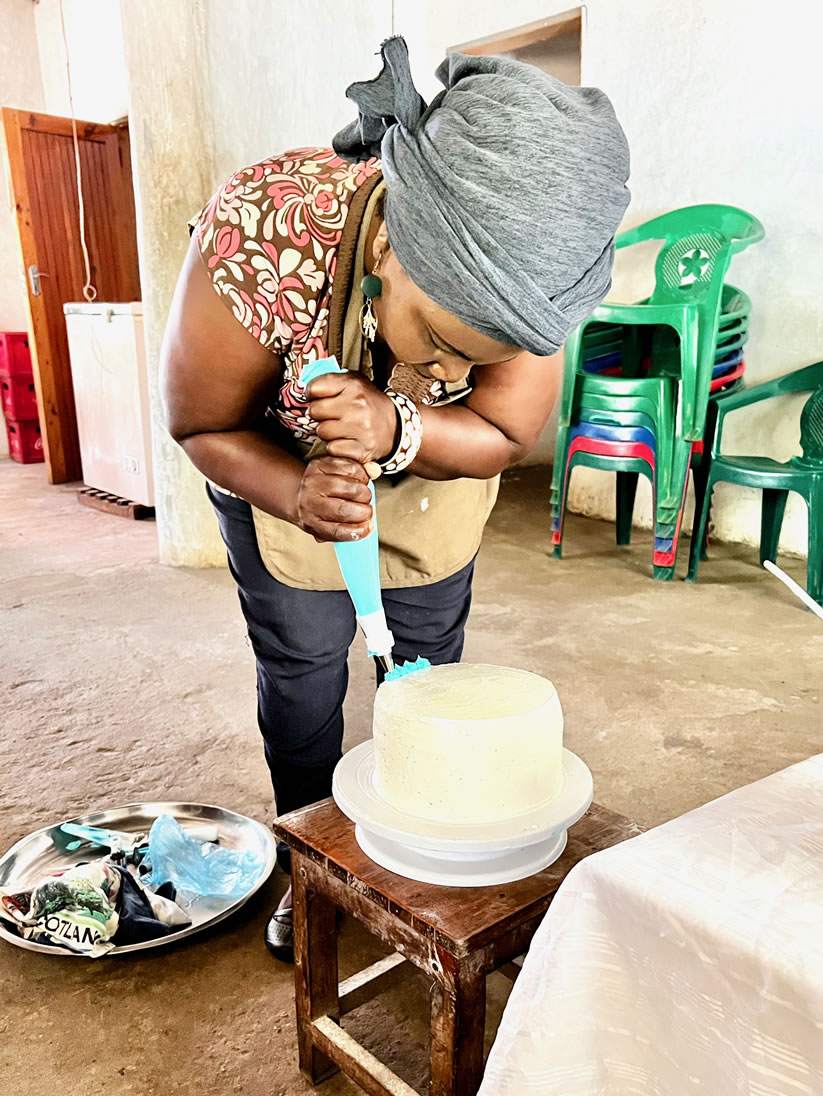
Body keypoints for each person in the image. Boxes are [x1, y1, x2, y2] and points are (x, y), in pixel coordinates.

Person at [161, 36, 629, 960]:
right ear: (388, 242)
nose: (450, 366)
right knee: (303, 674)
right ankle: (314, 871)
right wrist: (301, 490)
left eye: (479, 358)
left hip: (435, 475)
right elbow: (200, 420)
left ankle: (419, 855)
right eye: (439, 339)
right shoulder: (266, 228)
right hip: (277, 468)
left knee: (426, 674)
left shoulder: (537, 280)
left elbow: (501, 433)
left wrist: (400, 426)